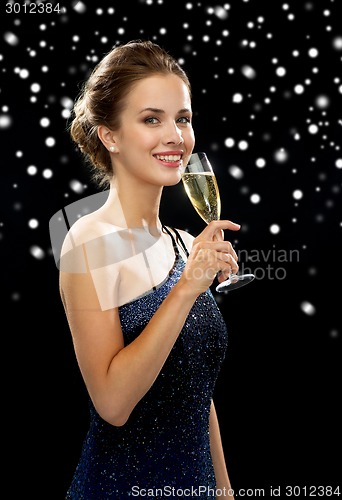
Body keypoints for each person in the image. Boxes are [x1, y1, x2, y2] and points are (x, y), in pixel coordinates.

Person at [59, 39, 239, 499]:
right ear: (110, 135)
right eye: (151, 119)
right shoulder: (87, 242)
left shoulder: (182, 245)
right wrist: (185, 290)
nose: (175, 136)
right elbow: (113, 404)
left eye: (182, 118)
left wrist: (223, 489)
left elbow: (196, 389)